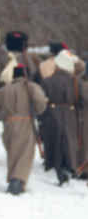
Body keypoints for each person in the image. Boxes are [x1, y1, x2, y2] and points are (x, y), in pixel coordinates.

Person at [0, 64, 47, 194]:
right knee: (25, 154)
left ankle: (13, 179)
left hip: (8, 125)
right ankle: (17, 181)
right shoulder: (32, 87)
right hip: (26, 123)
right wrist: (36, 111)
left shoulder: (3, 90)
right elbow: (41, 103)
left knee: (13, 154)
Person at [40, 49, 88, 185]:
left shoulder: (47, 81)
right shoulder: (75, 81)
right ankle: (68, 168)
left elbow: (41, 100)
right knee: (69, 142)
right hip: (70, 114)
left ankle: (59, 169)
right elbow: (82, 100)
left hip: (51, 113)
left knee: (53, 143)